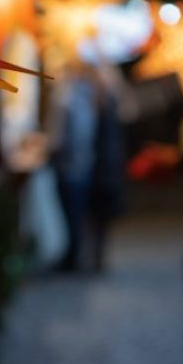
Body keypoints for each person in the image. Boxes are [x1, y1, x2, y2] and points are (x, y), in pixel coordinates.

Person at [48, 60, 127, 272]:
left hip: (92, 168)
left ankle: (83, 259)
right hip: (97, 168)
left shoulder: (91, 101)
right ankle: (92, 258)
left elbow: (78, 137)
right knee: (92, 217)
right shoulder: (98, 102)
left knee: (85, 216)